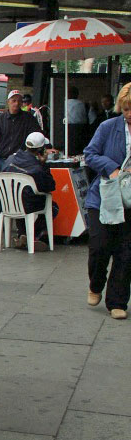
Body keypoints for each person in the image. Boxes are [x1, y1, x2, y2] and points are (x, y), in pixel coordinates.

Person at [83, 82, 131, 320]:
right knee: (100, 247)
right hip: (103, 196)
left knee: (126, 253)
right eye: (126, 109)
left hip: (129, 201)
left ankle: (118, 302)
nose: (130, 114)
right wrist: (111, 167)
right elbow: (90, 154)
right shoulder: (107, 127)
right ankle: (95, 283)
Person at [2, 132, 58, 252]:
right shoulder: (37, 168)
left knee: (21, 199)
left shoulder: (10, 158)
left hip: (7, 202)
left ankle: (22, 234)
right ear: (41, 149)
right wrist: (44, 164)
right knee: (53, 207)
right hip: (28, 205)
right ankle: (32, 236)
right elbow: (50, 186)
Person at [0, 89, 41, 171]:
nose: (16, 103)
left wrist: (47, 147)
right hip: (1, 158)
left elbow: (37, 135)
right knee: (8, 168)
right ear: (8, 102)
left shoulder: (29, 119)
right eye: (14, 100)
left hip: (22, 158)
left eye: (19, 101)